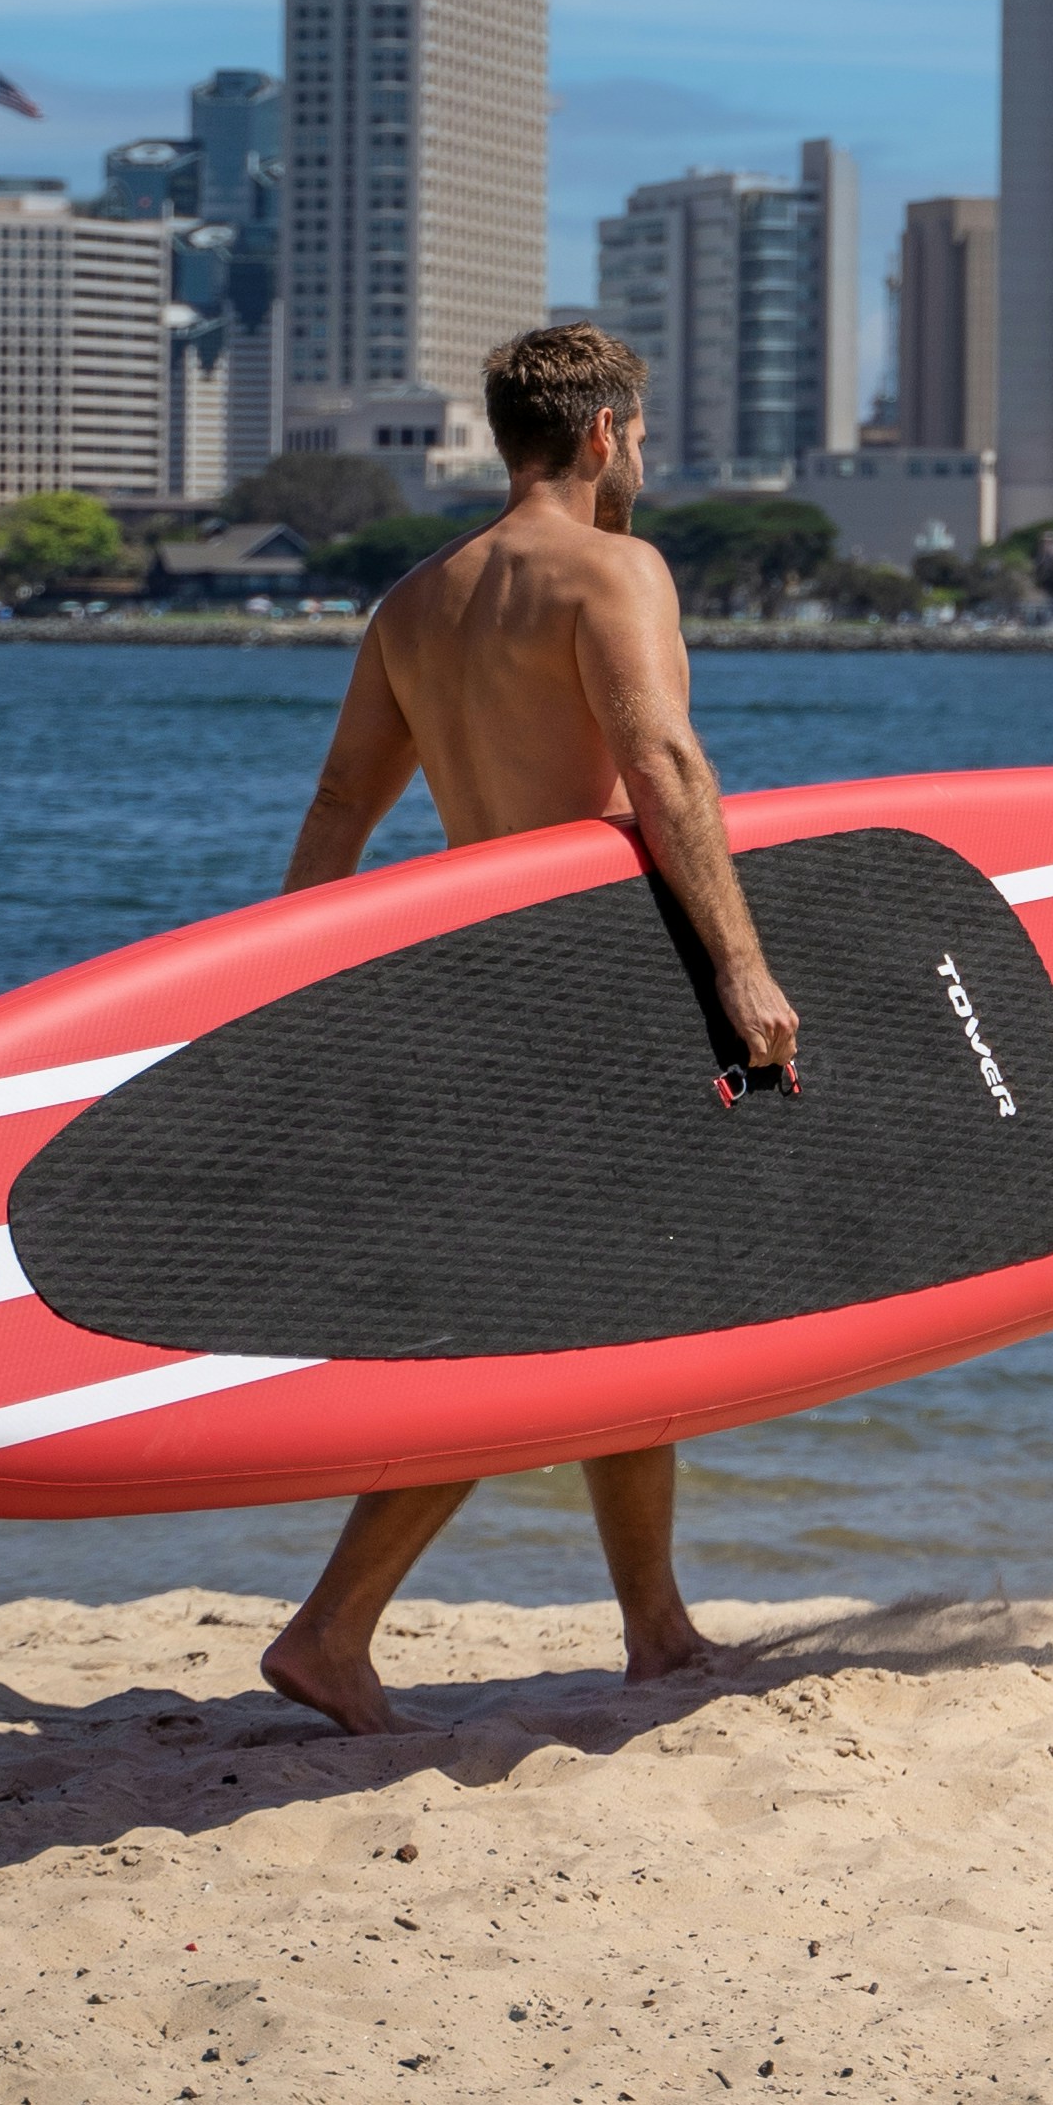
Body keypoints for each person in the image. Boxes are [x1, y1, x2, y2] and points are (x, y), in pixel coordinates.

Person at [251, 320, 802, 1735]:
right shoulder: (619, 570)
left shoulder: (414, 606)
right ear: (608, 433)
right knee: (543, 1332)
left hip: (482, 984)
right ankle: (331, 1628)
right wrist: (742, 969)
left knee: (625, 1318)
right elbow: (662, 760)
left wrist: (287, 983)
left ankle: (659, 1629)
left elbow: (335, 817)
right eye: (644, 431)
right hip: (604, 985)